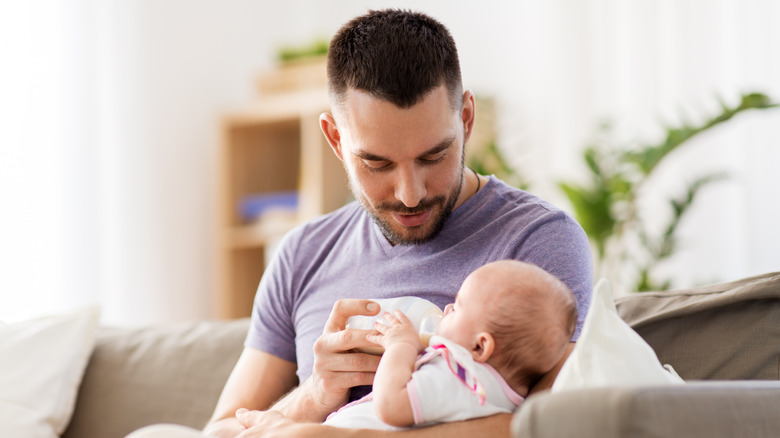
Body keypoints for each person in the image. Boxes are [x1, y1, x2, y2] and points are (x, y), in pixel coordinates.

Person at [128, 8, 592, 438]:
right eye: (377, 163)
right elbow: (222, 431)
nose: (410, 192)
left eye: (434, 155)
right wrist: (315, 395)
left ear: (466, 120)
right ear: (334, 139)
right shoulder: (302, 254)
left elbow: (548, 424)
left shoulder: (537, 243)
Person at [323, 260, 578, 430]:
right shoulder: (488, 392)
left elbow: (390, 406)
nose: (446, 308)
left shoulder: (461, 376)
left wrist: (401, 346)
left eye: (457, 307)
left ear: (480, 347)